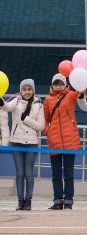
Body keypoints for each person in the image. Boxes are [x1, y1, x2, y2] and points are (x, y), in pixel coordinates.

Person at [0, 79, 44, 211]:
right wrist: (1, 101)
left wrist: (27, 120)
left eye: (29, 89)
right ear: (21, 90)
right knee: (19, 173)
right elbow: (6, 107)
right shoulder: (16, 100)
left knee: (29, 173)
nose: (27, 92)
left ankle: (28, 201)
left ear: (33, 90)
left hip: (31, 143)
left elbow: (41, 126)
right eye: (24, 89)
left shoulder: (39, 105)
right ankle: (20, 201)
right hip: (17, 141)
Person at [44, 74, 80, 210]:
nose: (58, 86)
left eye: (61, 83)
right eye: (56, 83)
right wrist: (47, 131)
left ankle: (69, 201)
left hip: (70, 140)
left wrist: (80, 78)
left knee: (69, 174)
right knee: (56, 174)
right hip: (54, 141)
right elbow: (46, 118)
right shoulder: (47, 99)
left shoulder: (71, 95)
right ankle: (58, 201)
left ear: (66, 85)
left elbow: (82, 92)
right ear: (52, 85)